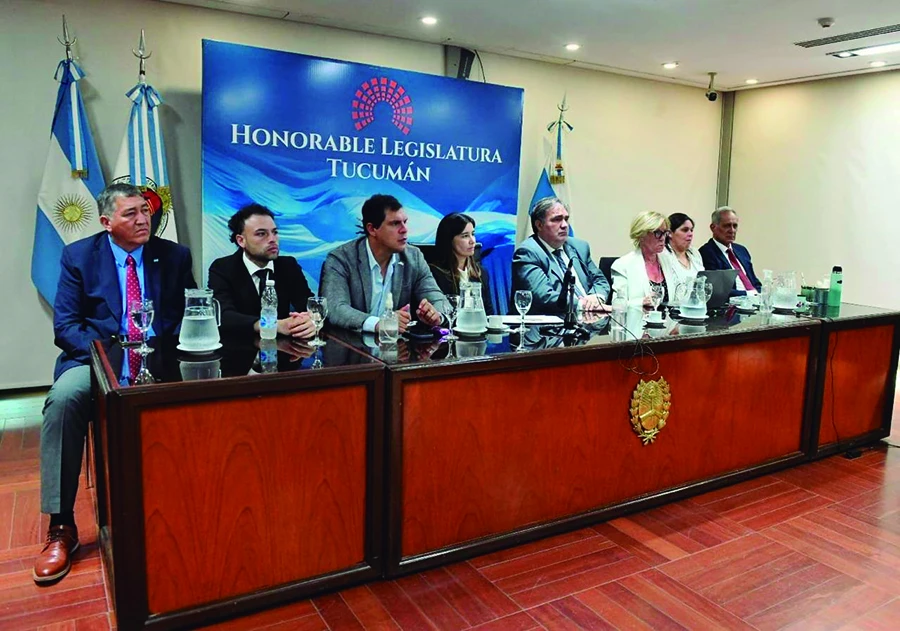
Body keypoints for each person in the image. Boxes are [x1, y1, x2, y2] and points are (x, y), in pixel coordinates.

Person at [34, 183, 196, 583]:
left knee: (204, 390)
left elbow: (189, 314)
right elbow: (66, 327)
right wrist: (112, 357)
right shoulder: (79, 256)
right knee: (65, 399)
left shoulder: (173, 255)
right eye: (131, 214)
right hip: (94, 359)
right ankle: (61, 525)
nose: (143, 220)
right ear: (107, 222)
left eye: (145, 211)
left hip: (162, 358)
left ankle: (188, 508)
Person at [320, 194, 448, 333]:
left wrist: (437, 316)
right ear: (372, 229)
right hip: (350, 347)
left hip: (395, 349)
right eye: (395, 223)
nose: (404, 230)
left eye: (405, 222)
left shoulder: (413, 257)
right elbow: (335, 308)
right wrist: (379, 324)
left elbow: (439, 300)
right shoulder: (341, 259)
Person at [208, 204, 316, 338]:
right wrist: (271, 325)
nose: (272, 239)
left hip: (284, 350)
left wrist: (310, 321)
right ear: (241, 240)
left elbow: (308, 304)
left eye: (275, 232)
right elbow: (223, 315)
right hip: (239, 348)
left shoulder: (288, 265)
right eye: (261, 234)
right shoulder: (222, 268)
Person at [511, 196, 609, 314]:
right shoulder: (528, 252)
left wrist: (596, 297)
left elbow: (600, 280)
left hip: (587, 323)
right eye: (557, 219)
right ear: (539, 225)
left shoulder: (579, 247)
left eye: (566, 219)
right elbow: (544, 297)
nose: (564, 225)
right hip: (547, 328)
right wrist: (585, 305)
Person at [429, 213, 494, 314]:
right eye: (465, 236)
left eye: (473, 234)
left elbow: (488, 313)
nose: (472, 241)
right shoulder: (434, 274)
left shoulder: (481, 273)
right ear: (449, 240)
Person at [611, 211, 678, 308]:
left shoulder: (668, 260)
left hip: (667, 321)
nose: (663, 238)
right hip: (638, 320)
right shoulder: (623, 265)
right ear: (641, 235)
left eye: (665, 233)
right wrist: (641, 302)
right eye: (658, 233)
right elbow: (618, 305)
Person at [698, 206, 762, 296]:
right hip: (734, 305)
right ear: (713, 227)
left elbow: (755, 282)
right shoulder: (706, 253)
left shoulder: (742, 250)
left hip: (754, 302)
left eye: (735, 226)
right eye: (727, 226)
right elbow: (718, 291)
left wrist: (761, 294)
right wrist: (749, 294)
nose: (732, 230)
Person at [663, 212, 705, 295]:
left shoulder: (695, 253)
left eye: (691, 230)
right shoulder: (663, 255)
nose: (690, 234)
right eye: (685, 230)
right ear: (670, 233)